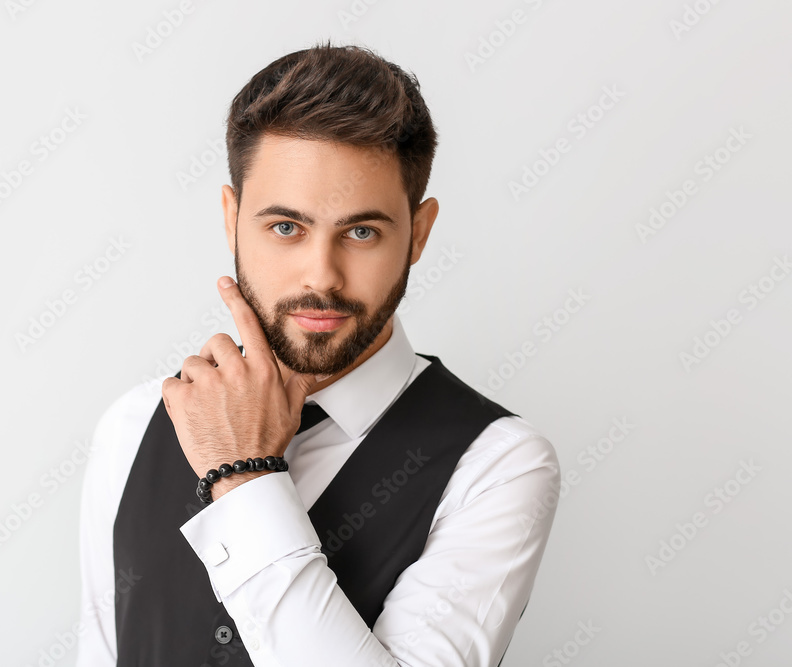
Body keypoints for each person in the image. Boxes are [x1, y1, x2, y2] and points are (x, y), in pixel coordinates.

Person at [76, 41, 561, 667]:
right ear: (232, 221)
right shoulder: (133, 423)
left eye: (361, 232)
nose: (322, 276)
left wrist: (244, 474)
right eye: (286, 227)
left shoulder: (499, 465)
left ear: (419, 234)